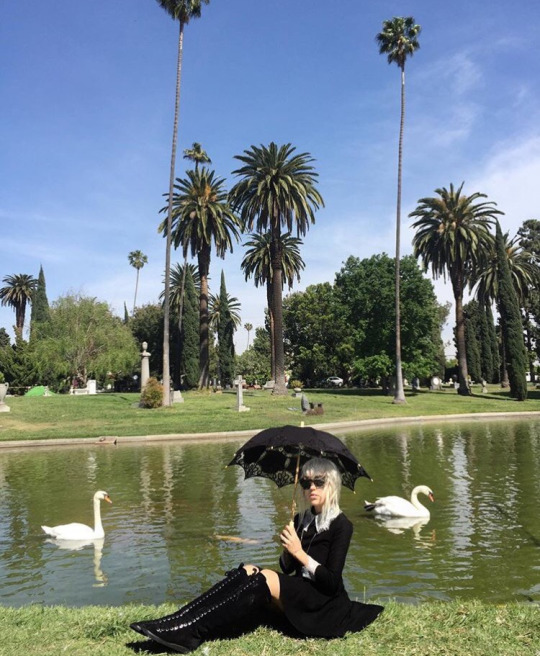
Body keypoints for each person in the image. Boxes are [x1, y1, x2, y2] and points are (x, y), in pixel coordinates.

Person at [130, 457, 383, 652]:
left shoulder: (341, 525)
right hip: (302, 590)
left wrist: (299, 552)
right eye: (306, 483)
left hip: (323, 603)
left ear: (332, 485)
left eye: (319, 482)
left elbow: (331, 582)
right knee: (247, 570)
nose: (312, 488)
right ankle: (178, 621)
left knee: (264, 578)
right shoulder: (301, 519)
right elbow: (288, 569)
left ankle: (190, 632)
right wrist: (288, 551)